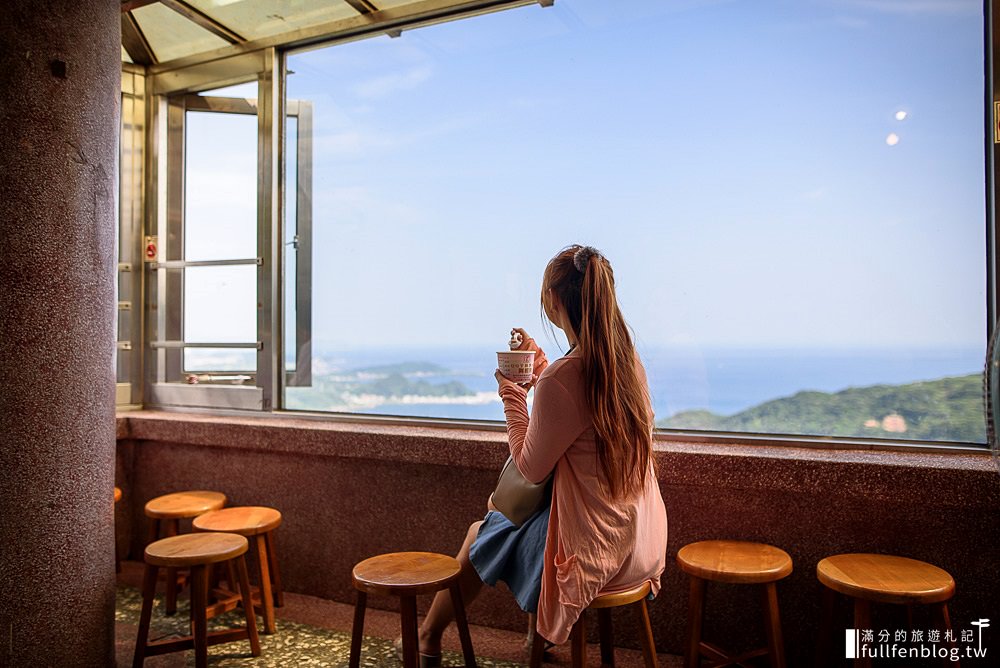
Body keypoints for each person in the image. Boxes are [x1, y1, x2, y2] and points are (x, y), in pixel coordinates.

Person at [413, 244, 668, 663]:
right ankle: (541, 639)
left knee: (485, 529)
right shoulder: (627, 362)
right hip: (641, 539)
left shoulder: (564, 377)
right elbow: (573, 408)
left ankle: (428, 636)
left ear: (552, 300)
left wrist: (513, 393)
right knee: (506, 518)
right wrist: (544, 368)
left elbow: (531, 468)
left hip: (593, 555)